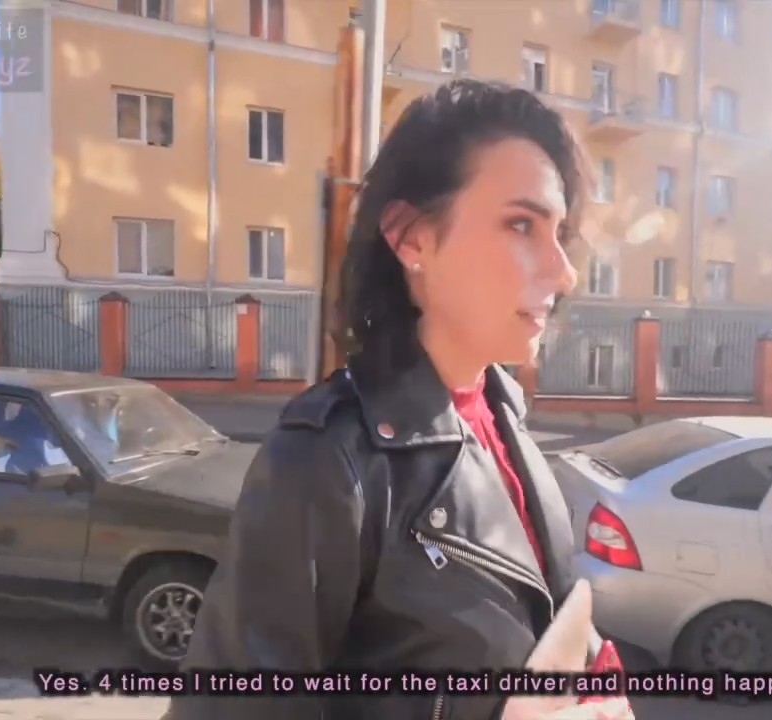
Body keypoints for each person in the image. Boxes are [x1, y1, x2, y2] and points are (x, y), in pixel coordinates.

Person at [167, 79, 613, 720]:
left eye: (559, 231)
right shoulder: (327, 461)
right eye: (521, 224)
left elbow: (547, 635)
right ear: (411, 238)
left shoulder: (505, 418)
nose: (563, 270)